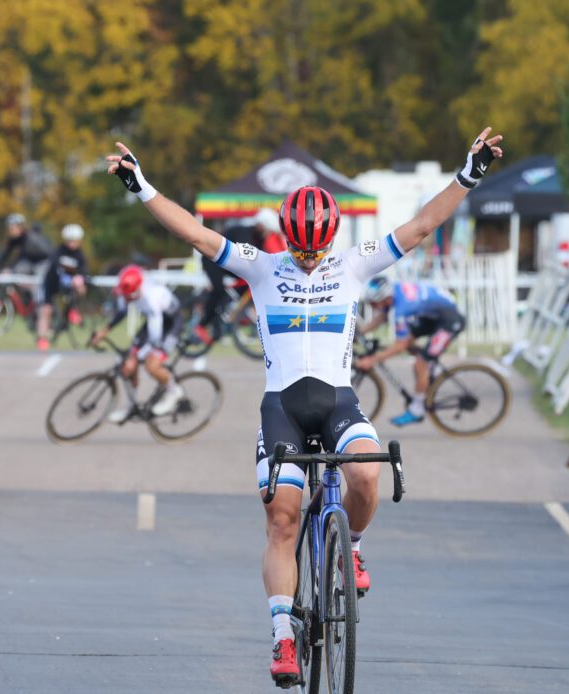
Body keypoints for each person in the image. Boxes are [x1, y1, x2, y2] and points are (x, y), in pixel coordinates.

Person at [106, 127, 503, 685]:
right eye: (300, 245)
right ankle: (283, 640)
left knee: (368, 474)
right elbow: (196, 234)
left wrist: (470, 173)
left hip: (339, 403)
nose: (310, 256)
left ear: (332, 236)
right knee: (282, 521)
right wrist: (141, 186)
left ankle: (354, 548)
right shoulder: (260, 266)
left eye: (317, 246)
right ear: (285, 238)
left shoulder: (354, 264)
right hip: (284, 410)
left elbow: (421, 226)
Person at [355, 277, 465, 426]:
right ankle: (429, 366)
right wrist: (360, 333)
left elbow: (400, 345)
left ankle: (417, 410)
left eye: (373, 303)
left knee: (419, 364)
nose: (372, 306)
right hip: (435, 316)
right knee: (410, 341)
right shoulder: (394, 293)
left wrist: (372, 360)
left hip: (449, 321)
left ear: (385, 299)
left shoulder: (402, 308)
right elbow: (381, 317)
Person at [91, 265, 185, 423]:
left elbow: (155, 339)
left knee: (151, 366)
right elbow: (122, 311)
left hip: (169, 324)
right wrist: (104, 330)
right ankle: (131, 406)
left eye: (127, 296)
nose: (124, 299)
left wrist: (137, 355)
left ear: (136, 292)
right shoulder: (130, 285)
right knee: (129, 365)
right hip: (152, 321)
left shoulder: (151, 299)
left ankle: (173, 391)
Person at [197, 207, 281, 342]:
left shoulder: (259, 239)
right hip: (211, 260)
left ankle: (226, 303)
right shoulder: (244, 233)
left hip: (225, 263)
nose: (269, 234)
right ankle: (202, 325)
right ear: (260, 226)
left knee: (246, 281)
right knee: (218, 290)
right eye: (268, 231)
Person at [35, 224, 89, 351]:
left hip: (67, 287)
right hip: (51, 284)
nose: (72, 244)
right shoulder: (58, 252)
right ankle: (42, 338)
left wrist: (80, 279)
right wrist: (70, 279)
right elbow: (56, 269)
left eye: (75, 241)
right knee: (46, 310)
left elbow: (84, 272)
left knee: (81, 288)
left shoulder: (80, 255)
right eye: (70, 241)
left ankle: (73, 310)